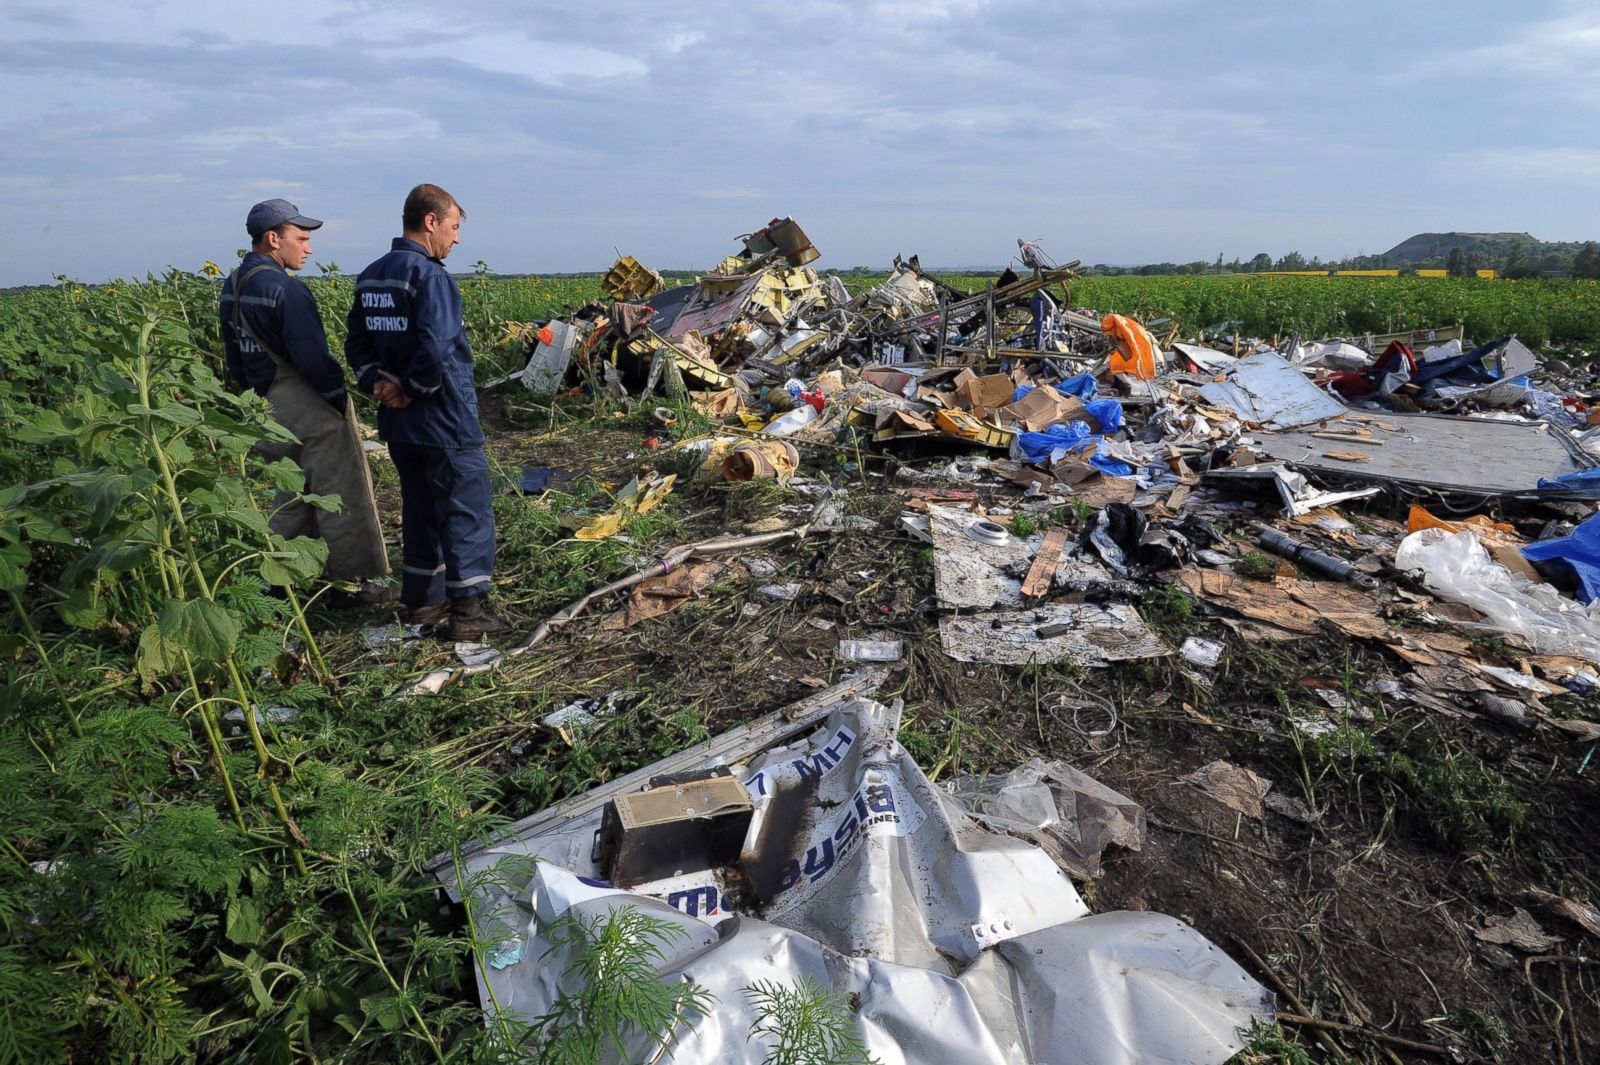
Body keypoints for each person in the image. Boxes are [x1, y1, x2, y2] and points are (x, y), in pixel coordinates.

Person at [344, 184, 509, 639]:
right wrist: (413, 388)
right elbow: (436, 345)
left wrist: (377, 381)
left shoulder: (373, 277)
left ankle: (422, 603)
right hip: (444, 418)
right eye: (454, 228)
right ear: (430, 221)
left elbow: (355, 343)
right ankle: (469, 613)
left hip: (400, 426)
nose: (456, 240)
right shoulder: (430, 277)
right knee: (466, 510)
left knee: (419, 510)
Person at [219, 198, 392, 601]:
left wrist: (254, 395)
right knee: (341, 493)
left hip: (262, 404)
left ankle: (282, 581)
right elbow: (314, 360)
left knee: (290, 495)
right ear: (273, 239)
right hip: (305, 402)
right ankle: (355, 582)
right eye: (301, 238)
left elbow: (232, 354)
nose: (308, 248)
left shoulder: (233, 286)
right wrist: (337, 401)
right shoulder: (285, 290)